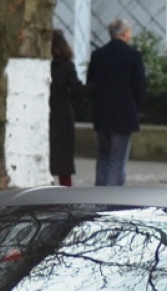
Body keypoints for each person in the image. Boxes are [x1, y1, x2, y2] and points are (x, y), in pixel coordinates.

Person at [86, 17, 146, 186]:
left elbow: (91, 84)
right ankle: (112, 196)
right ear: (125, 33)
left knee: (103, 155)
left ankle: (100, 191)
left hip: (101, 114)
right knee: (117, 159)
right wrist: (137, 108)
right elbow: (139, 86)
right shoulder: (133, 55)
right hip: (123, 115)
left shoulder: (98, 55)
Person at [49, 30, 83, 186]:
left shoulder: (45, 66)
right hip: (62, 114)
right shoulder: (67, 66)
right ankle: (65, 190)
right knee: (64, 160)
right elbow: (76, 90)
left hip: (46, 112)